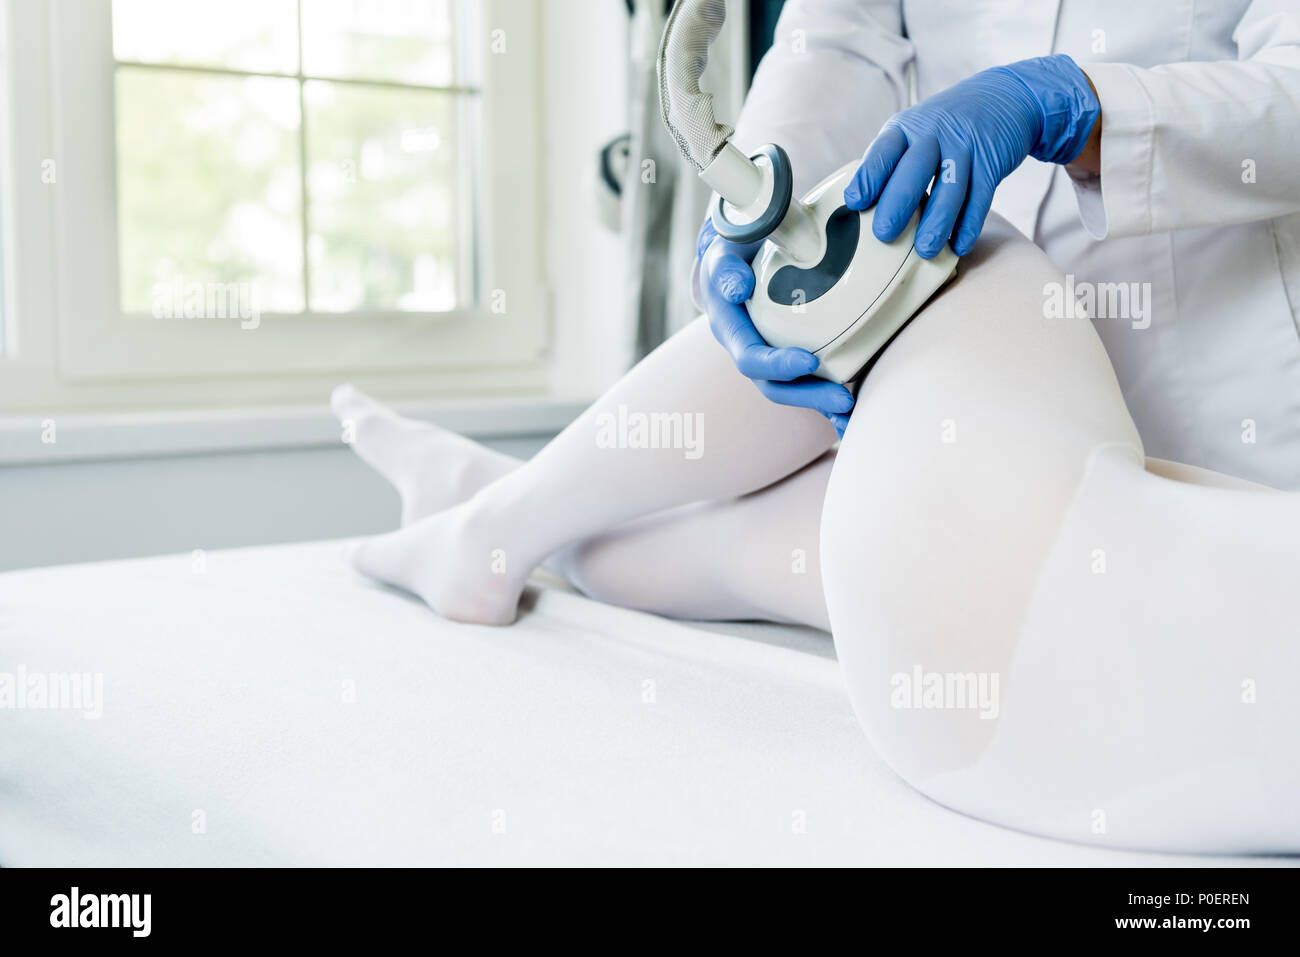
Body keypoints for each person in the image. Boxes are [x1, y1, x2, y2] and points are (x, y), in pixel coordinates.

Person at [334, 214, 1299, 853]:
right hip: (996, 743)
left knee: (943, 241)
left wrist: (768, 225)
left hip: (1006, 578)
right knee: (793, 539)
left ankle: (496, 526)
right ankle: (490, 504)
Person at [699, 0, 1300, 490]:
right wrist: (757, 216)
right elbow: (834, 44)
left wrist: (1085, 110)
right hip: (948, 324)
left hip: (1216, 369)